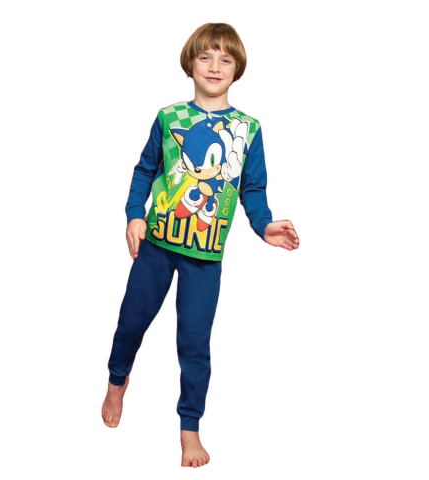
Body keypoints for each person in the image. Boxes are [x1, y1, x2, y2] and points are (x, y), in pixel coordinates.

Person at [102, 22, 299, 467]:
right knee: (130, 323)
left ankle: (189, 428)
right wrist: (134, 215)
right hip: (156, 247)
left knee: (194, 344)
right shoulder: (169, 118)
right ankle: (117, 381)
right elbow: (144, 170)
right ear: (190, 63)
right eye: (205, 56)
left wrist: (264, 225)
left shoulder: (249, 129)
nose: (214, 66)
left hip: (205, 259)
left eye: (225, 59)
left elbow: (253, 189)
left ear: (237, 69)